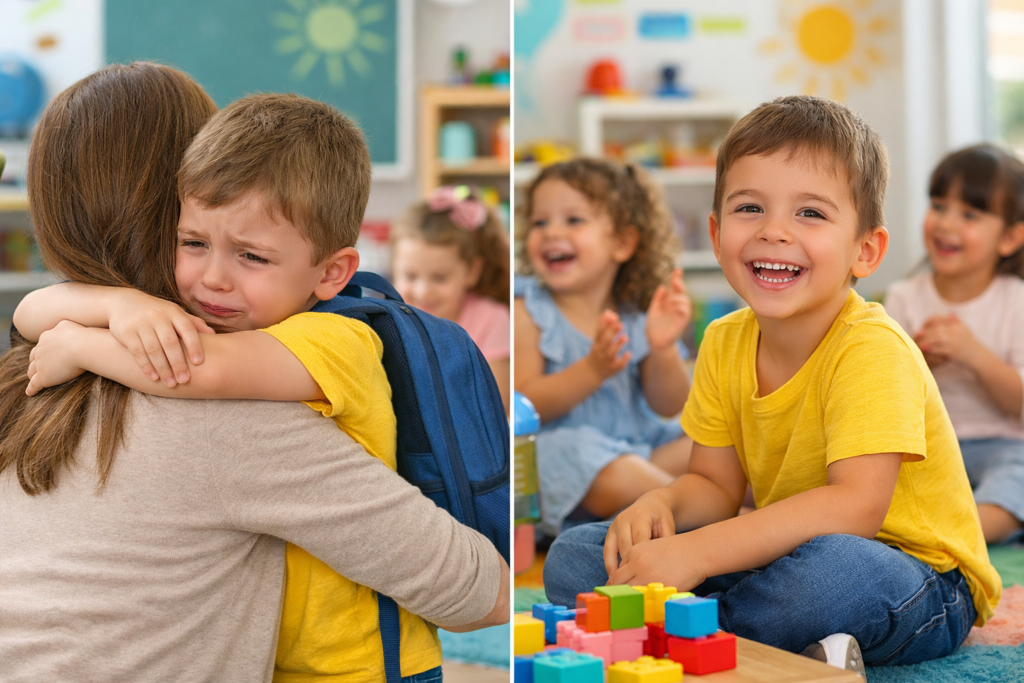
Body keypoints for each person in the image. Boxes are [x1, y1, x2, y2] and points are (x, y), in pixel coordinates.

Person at [0, 63, 508, 683]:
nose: (215, 277)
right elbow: (480, 593)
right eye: (195, 242)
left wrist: (83, 334)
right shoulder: (228, 408)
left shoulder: (30, 375)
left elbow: (184, 365)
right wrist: (105, 314)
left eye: (250, 254)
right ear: (175, 205)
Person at [542, 96, 1000, 673]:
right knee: (579, 555)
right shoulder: (723, 341)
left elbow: (856, 507)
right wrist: (660, 503)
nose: (774, 232)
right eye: (750, 208)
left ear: (866, 250)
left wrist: (695, 552)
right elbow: (712, 486)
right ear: (715, 234)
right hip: (779, 554)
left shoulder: (872, 348)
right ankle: (754, 639)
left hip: (915, 575)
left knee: (835, 573)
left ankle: (701, 631)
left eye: (810, 214)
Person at [514, 158, 693, 535]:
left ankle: (683, 504)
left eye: (574, 220)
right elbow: (523, 406)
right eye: (539, 222)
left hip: (644, 451)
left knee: (712, 442)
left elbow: (671, 404)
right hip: (568, 463)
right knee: (588, 458)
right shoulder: (528, 311)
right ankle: (711, 516)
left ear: (623, 242)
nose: (551, 232)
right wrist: (592, 370)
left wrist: (662, 349)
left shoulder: (638, 312)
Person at [886, 144, 1024, 544]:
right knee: (873, 475)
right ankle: (929, 527)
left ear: (1010, 237)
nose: (946, 224)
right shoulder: (903, 298)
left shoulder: (1015, 300)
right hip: (927, 450)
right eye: (939, 205)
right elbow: (887, 401)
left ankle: (957, 532)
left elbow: (1018, 405)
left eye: (969, 214)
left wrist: (973, 354)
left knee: (1019, 475)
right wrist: (918, 360)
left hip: (1003, 446)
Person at [391, 185, 511, 411]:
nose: (423, 291)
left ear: (472, 272)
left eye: (440, 278)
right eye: (410, 276)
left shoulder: (492, 320)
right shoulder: (388, 322)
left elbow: (496, 407)